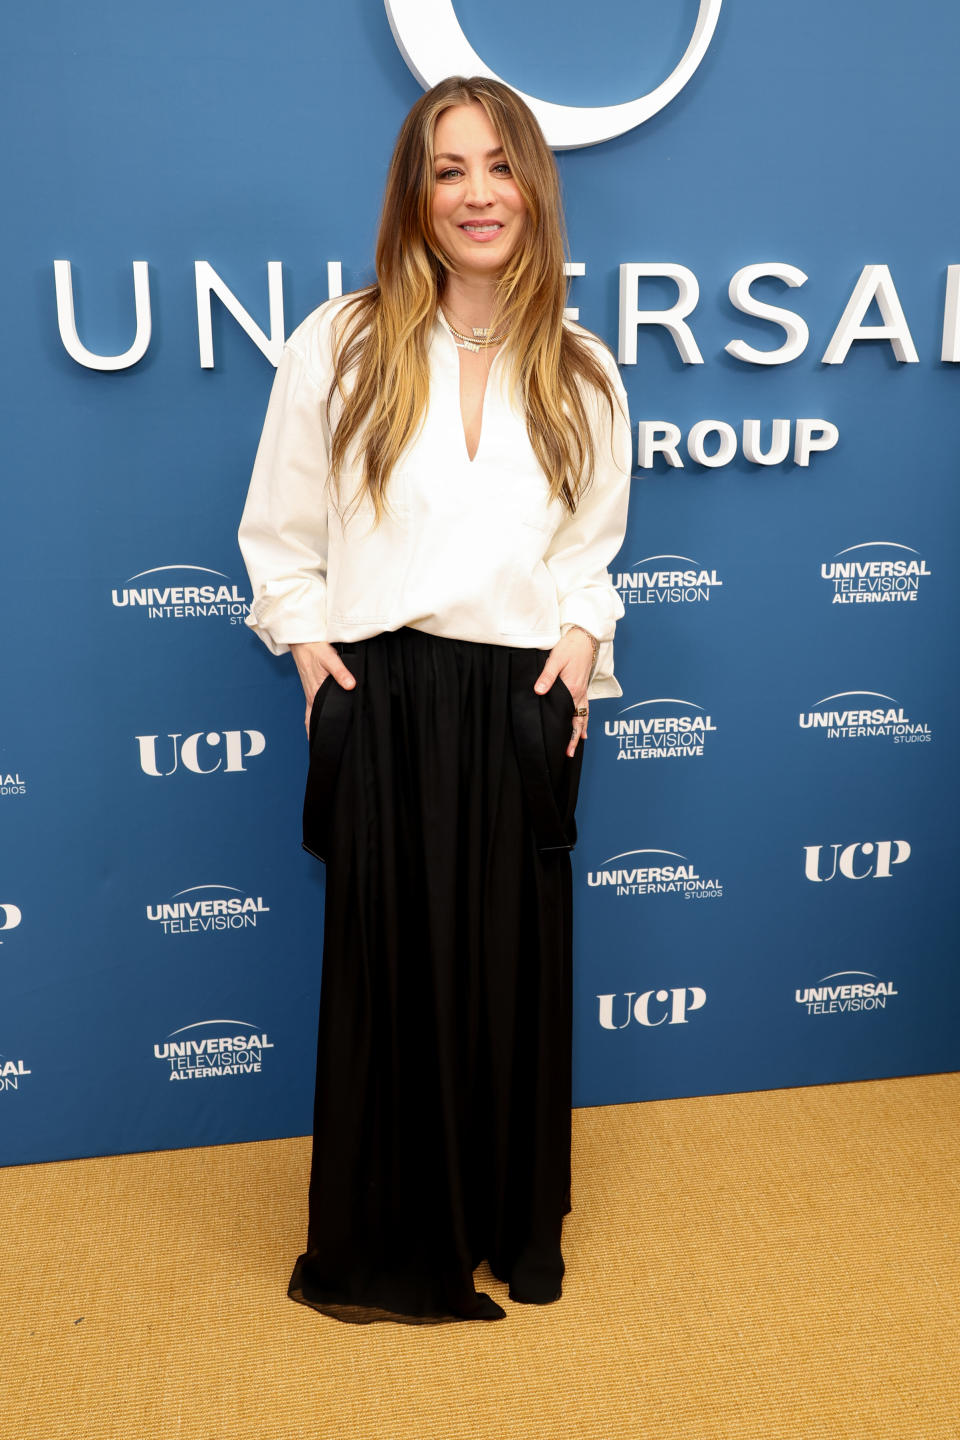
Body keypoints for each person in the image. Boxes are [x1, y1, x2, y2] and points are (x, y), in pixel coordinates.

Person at [237, 75, 632, 1326]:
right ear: (415, 192)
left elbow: (592, 550)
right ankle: (392, 1233)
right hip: (386, 695)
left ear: (535, 188)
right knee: (390, 977)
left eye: (500, 166)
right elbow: (281, 536)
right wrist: (311, 655)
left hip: (519, 698)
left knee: (515, 974)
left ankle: (517, 1226)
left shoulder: (584, 368)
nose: (477, 193)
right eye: (449, 168)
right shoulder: (339, 345)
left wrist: (580, 644)